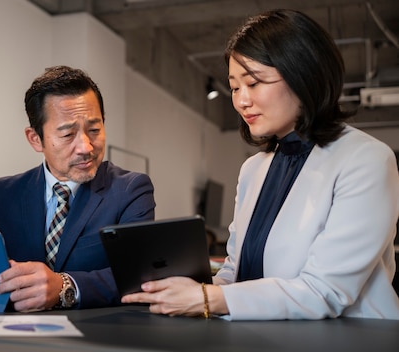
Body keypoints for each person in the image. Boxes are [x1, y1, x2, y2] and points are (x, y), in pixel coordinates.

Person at [122, 9, 399, 320]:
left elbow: (326, 291)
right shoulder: (254, 169)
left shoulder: (365, 159)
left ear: (304, 75)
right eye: (235, 87)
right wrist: (183, 290)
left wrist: (208, 298)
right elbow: (236, 272)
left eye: (253, 83)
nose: (241, 101)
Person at [0, 65, 156, 312]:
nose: (86, 147)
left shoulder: (130, 190)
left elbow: (139, 275)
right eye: (68, 135)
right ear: (35, 139)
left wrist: (64, 286)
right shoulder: (5, 194)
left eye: (94, 130)